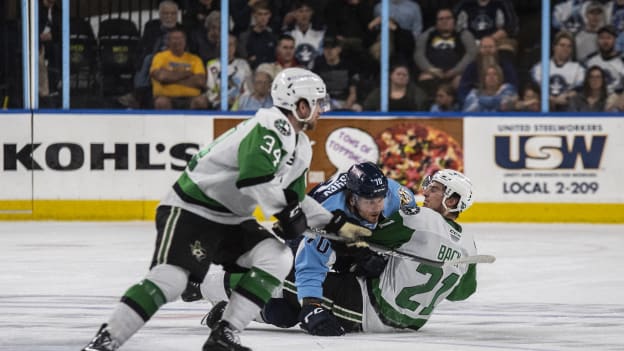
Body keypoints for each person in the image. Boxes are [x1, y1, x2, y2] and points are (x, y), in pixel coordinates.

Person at [80, 67, 372, 351]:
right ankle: (107, 340)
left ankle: (225, 334)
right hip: (192, 209)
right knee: (171, 280)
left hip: (231, 217)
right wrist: (287, 214)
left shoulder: (300, 144)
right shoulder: (271, 124)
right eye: (317, 103)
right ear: (299, 104)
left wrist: (336, 226)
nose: (322, 109)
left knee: (278, 257)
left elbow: (295, 200)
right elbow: (254, 179)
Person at [196, 169, 478, 335]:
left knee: (281, 272)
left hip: (367, 306)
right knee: (283, 312)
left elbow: (361, 235)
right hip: (410, 323)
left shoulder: (420, 220)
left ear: (452, 200)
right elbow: (460, 292)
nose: (426, 191)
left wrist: (357, 251)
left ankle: (204, 285)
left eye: (436, 189)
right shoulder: (470, 244)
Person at [414, 8, 477, 91]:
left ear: (454, 20)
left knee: (460, 80)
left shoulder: (463, 34)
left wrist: (455, 71)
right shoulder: (428, 34)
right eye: (441, 19)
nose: (444, 21)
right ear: (436, 22)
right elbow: (418, 55)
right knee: (424, 78)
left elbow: (472, 53)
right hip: (433, 72)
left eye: (448, 18)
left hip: (457, 73)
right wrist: (431, 70)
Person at [149, 29, 208, 110]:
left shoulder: (195, 59)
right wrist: (186, 74)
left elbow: (200, 81)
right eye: (174, 38)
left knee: (201, 102)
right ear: (168, 42)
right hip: (167, 97)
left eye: (180, 38)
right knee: (161, 103)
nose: (177, 41)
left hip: (191, 98)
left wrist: (169, 78)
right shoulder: (159, 57)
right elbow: (161, 76)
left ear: (185, 41)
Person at [530, 31, 585, 111]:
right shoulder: (540, 67)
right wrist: (552, 100)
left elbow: (578, 89)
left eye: (569, 46)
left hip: (567, 108)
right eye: (562, 45)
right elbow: (537, 87)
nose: (565, 49)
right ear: (554, 47)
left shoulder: (579, 68)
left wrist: (566, 97)